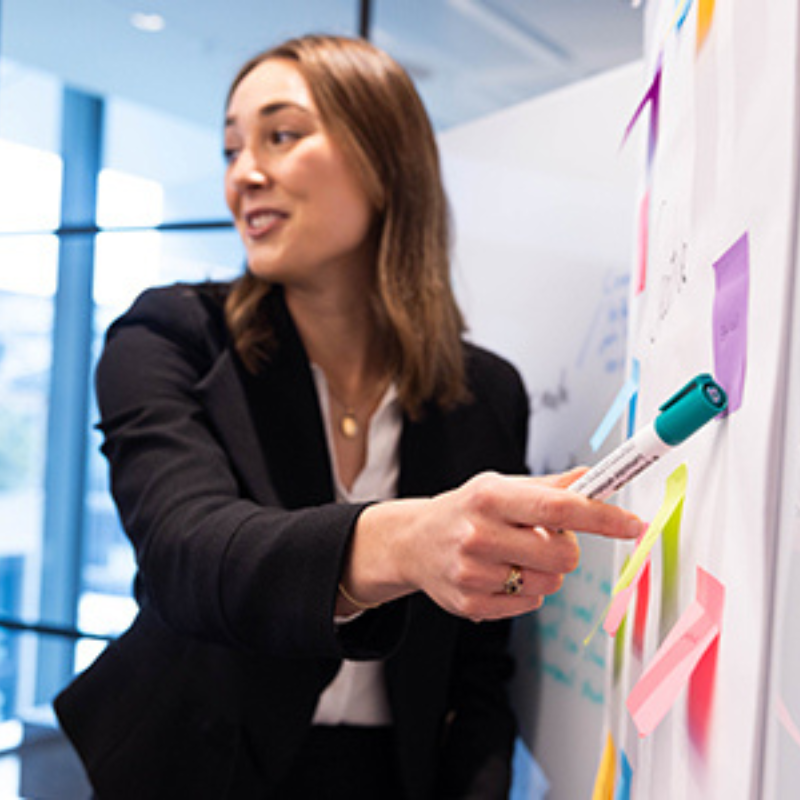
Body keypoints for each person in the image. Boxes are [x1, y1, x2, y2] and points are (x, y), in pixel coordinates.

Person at [54, 34, 643, 800]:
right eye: (232, 148)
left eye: (282, 135)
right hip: (191, 765)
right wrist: (406, 539)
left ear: (383, 158)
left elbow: (480, 666)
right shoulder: (169, 338)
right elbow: (187, 555)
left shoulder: (486, 392)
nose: (244, 174)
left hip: (388, 778)